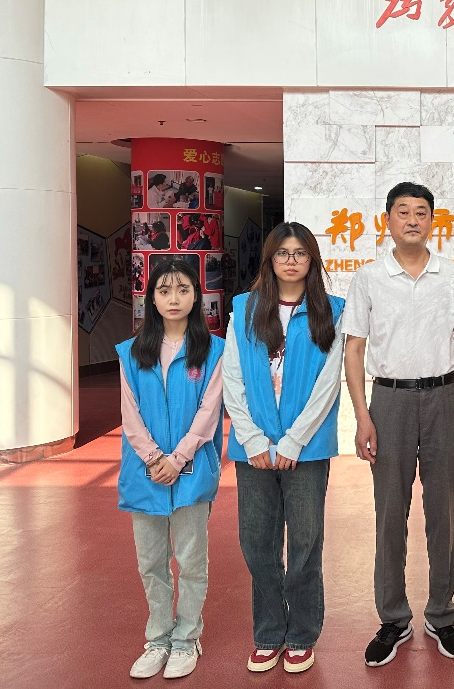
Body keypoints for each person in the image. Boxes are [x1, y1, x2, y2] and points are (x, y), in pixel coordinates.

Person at [343, 182, 454, 667]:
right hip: (390, 401)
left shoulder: (452, 275)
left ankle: (442, 614)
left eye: (421, 212)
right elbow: (354, 349)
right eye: (403, 212)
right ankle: (393, 618)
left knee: (443, 511)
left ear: (432, 221)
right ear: (388, 221)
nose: (413, 220)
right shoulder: (368, 278)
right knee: (390, 512)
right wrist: (362, 415)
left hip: (444, 397)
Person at [223, 222, 345, 675]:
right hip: (253, 449)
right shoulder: (245, 308)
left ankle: (301, 635)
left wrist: (294, 440)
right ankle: (269, 632)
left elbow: (329, 383)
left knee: (306, 543)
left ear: (312, 260)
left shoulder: (333, 310)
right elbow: (232, 377)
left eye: (300, 253)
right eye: (282, 253)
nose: (291, 261)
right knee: (257, 542)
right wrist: (252, 438)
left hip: (306, 449)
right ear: (270, 259)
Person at [117, 258, 224, 680]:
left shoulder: (214, 351)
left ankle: (186, 639)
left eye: (182, 290)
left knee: (192, 561)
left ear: (196, 296)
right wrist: (152, 458)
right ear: (152, 299)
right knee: (151, 563)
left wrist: (177, 459)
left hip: (191, 471)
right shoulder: (131, 353)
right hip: (145, 474)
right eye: (164, 291)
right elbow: (130, 416)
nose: (173, 298)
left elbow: (209, 413)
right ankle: (158, 639)